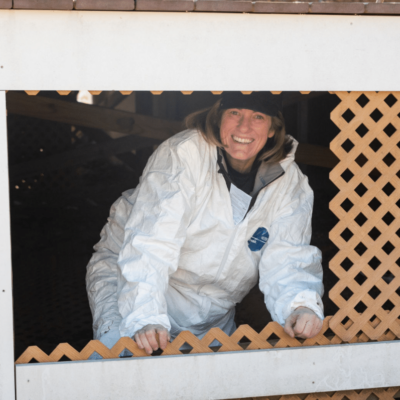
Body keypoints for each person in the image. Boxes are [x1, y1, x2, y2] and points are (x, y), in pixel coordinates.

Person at [86, 92, 324, 356]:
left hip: (213, 309)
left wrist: (300, 305)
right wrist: (145, 316)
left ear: (272, 129)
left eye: (258, 117)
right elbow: (152, 242)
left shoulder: (290, 183)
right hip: (134, 284)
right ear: (218, 117)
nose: (244, 127)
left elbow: (288, 256)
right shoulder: (183, 155)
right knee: (126, 374)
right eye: (235, 113)